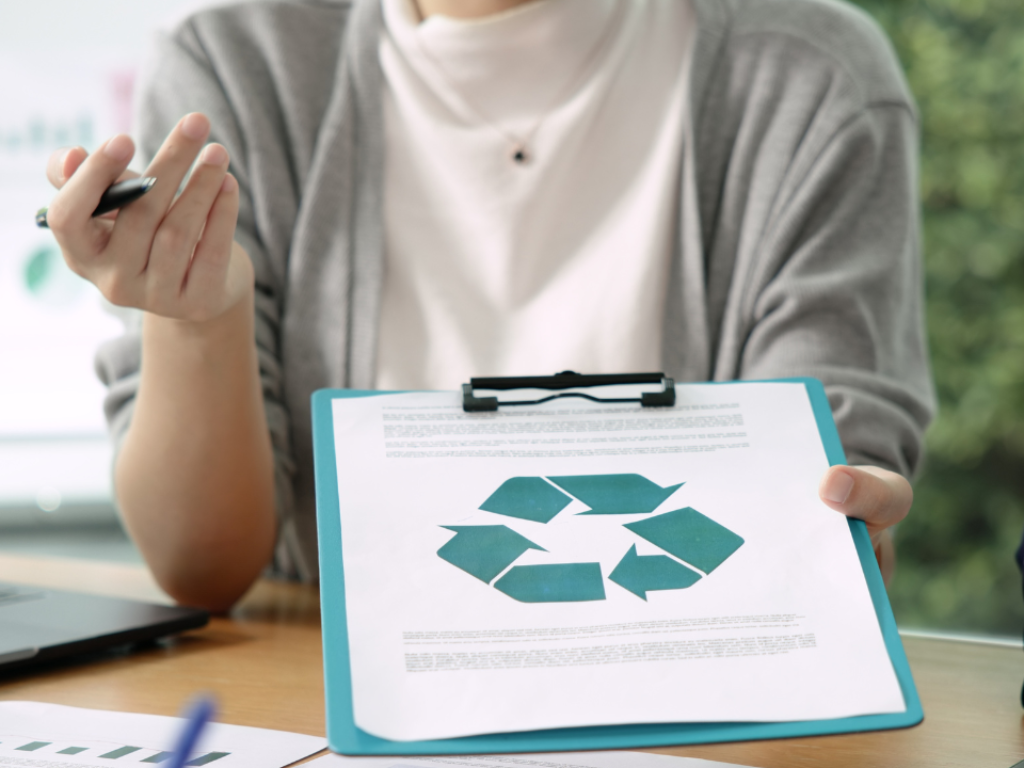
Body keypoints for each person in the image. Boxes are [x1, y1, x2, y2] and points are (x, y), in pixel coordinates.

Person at [43, 0, 934, 612]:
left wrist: (846, 533)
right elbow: (206, 573)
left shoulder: (814, 80)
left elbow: (822, 527)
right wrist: (201, 318)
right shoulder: (239, 63)